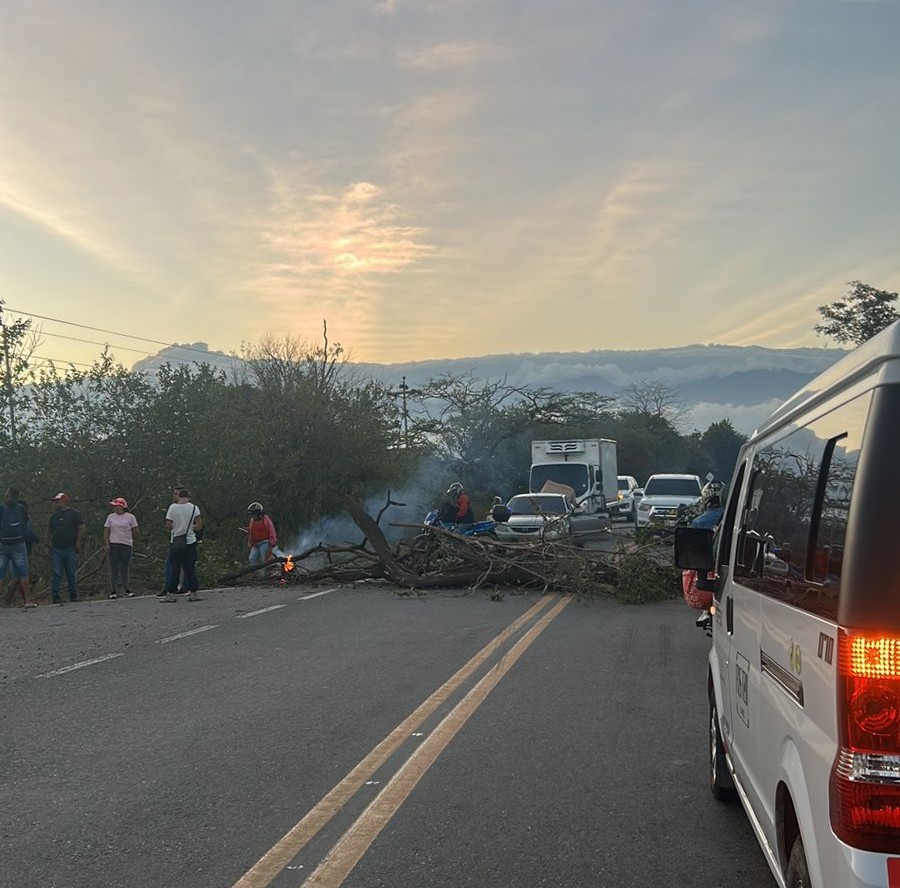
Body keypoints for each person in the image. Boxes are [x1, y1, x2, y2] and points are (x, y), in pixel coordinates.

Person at [682, 493, 725, 628]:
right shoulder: (732, 518)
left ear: (708, 504)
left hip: (705, 566)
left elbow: (690, 548)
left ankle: (705, 611)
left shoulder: (699, 522)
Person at [160, 488, 203, 602]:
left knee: (175, 568)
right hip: (190, 541)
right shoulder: (194, 508)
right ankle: (194, 593)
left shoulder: (173, 507)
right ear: (188, 497)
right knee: (190, 568)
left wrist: (176, 528)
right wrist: (190, 528)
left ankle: (171, 594)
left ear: (178, 496)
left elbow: (168, 525)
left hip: (176, 541)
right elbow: (199, 526)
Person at [0, 487, 36, 608]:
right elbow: (25, 524)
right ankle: (28, 601)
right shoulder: (21, 509)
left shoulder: (1, 508)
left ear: (7, 496)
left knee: (1, 573)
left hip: (3, 544)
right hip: (19, 543)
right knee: (23, 573)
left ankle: (4, 602)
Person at [47, 492, 85, 604]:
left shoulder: (74, 514)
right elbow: (49, 531)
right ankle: (55, 597)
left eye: (57, 501)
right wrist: (48, 543)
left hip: (70, 547)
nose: (54, 504)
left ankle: (73, 596)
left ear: (64, 502)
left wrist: (78, 542)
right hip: (57, 549)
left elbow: (82, 528)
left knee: (71, 573)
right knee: (57, 572)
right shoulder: (54, 517)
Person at [103, 497, 139, 599]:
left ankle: (126, 588)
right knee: (114, 568)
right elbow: (106, 531)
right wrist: (107, 544)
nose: (114, 508)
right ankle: (113, 590)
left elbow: (135, 530)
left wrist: (129, 539)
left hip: (126, 545)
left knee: (125, 568)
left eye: (116, 506)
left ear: (122, 507)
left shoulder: (130, 517)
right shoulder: (110, 517)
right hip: (114, 544)